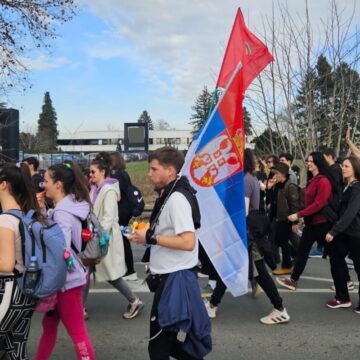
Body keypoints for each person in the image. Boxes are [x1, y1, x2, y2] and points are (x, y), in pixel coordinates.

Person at [130, 147, 211, 360]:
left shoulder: (177, 199)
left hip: (175, 279)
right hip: (170, 277)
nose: (149, 173)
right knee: (164, 345)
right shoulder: (170, 193)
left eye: (154, 169)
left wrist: (150, 238)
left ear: (170, 170)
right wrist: (149, 232)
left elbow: (187, 241)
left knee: (158, 348)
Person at [35, 162, 95, 360]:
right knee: (50, 327)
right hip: (70, 279)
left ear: (58, 184)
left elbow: (62, 250)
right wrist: (43, 211)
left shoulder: (61, 212)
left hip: (66, 282)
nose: (43, 185)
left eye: (46, 181)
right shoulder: (69, 207)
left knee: (77, 333)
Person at [89, 153, 143, 319]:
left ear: (103, 172)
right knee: (87, 270)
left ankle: (134, 300)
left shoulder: (108, 190)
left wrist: (96, 234)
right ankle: (79, 307)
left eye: (93, 172)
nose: (90, 175)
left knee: (111, 273)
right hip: (98, 235)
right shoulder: (96, 189)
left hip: (106, 237)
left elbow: (109, 217)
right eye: (89, 172)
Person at [242, 149, 290, 324]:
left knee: (259, 270)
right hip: (252, 231)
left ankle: (279, 308)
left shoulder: (246, 179)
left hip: (249, 232)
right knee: (250, 268)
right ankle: (214, 302)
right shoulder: (250, 178)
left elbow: (244, 211)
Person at [277, 151, 336, 291]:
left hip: (323, 224)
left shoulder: (324, 181)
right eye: (307, 161)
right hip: (312, 224)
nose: (308, 163)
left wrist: (298, 215)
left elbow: (319, 204)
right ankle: (293, 280)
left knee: (334, 255)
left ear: (317, 163)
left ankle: (345, 281)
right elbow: (307, 201)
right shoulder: (313, 180)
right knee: (303, 251)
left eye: (310, 161)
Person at [0, 163, 40, 360]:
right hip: (27, 290)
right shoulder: (25, 216)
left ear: (3, 185)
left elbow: (6, 264)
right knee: (16, 349)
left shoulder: (5, 221)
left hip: (8, 291)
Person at [324, 156, 360, 312]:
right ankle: (342, 297)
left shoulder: (357, 188)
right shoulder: (347, 185)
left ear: (355, 168)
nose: (343, 168)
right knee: (336, 258)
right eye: (342, 166)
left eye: (347, 166)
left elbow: (350, 213)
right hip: (346, 232)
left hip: (357, 234)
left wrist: (334, 231)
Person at [109, 152, 137, 281]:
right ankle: (126, 269)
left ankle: (130, 270)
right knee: (121, 239)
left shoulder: (119, 176)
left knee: (122, 239)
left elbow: (117, 194)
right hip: (125, 210)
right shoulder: (122, 174)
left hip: (122, 211)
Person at [270, 163, 300, 276]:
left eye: (276, 173)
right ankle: (297, 255)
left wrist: (295, 222)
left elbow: (294, 204)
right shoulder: (279, 185)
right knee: (279, 240)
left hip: (288, 218)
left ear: (282, 174)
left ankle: (287, 266)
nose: (275, 176)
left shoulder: (290, 185)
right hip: (280, 218)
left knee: (282, 241)